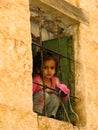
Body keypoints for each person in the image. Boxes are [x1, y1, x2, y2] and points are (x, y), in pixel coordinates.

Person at [32, 51, 70, 118]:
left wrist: (62, 90)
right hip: (38, 108)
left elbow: (63, 96)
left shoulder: (55, 80)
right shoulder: (37, 80)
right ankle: (37, 113)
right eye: (45, 68)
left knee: (55, 98)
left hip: (47, 110)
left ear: (55, 70)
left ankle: (51, 116)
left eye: (52, 68)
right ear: (38, 69)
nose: (49, 70)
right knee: (44, 95)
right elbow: (30, 92)